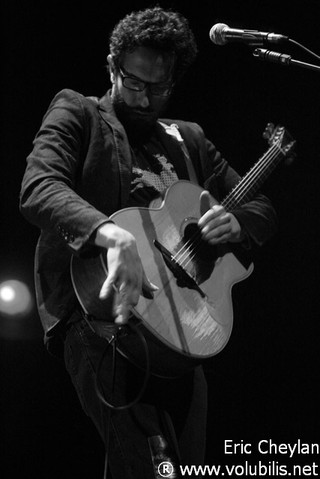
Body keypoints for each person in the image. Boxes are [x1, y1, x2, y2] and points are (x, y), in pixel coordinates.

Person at [20, 6, 277, 479]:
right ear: (112, 66)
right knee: (151, 468)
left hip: (183, 333)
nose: (143, 99)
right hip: (100, 316)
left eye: (158, 88)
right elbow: (39, 186)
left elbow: (260, 207)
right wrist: (110, 233)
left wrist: (237, 225)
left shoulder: (189, 139)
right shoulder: (79, 112)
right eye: (133, 83)